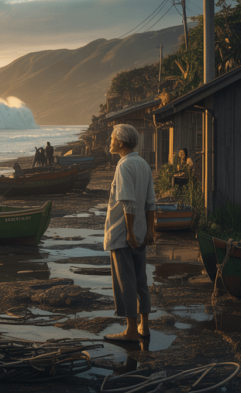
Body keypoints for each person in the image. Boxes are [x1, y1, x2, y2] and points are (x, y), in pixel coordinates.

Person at [103, 124, 156, 343]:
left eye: (113, 138)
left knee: (126, 282)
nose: (110, 141)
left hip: (124, 235)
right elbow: (150, 201)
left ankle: (131, 330)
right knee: (141, 280)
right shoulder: (143, 163)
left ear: (121, 143)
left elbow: (129, 203)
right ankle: (144, 326)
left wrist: (130, 234)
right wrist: (150, 230)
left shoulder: (124, 165)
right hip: (141, 233)